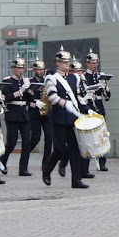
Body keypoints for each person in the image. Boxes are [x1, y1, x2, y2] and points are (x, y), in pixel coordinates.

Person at [42, 51, 91, 189]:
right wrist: (64, 103)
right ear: (57, 63)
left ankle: (76, 180)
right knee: (59, 149)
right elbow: (52, 97)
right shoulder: (52, 78)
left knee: (75, 149)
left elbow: (79, 99)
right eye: (64, 62)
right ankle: (47, 169)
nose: (66, 64)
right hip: (59, 118)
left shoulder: (75, 78)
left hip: (73, 118)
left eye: (68, 62)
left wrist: (88, 110)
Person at [0, 57, 33, 177]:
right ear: (13, 69)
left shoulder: (26, 81)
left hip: (24, 113)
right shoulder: (7, 81)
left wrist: (31, 93)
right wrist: (21, 90)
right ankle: (3, 161)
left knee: (27, 143)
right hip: (12, 113)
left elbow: (29, 98)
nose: (20, 70)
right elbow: (6, 98)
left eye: (22, 68)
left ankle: (23, 168)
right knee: (11, 143)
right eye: (18, 68)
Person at [80, 52, 111, 173]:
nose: (94, 65)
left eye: (96, 63)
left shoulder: (99, 76)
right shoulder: (83, 76)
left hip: (99, 105)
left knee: (102, 134)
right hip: (89, 105)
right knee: (90, 136)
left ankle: (102, 161)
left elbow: (107, 96)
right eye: (92, 63)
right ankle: (87, 164)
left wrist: (105, 87)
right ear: (87, 63)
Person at [27, 59, 51, 168]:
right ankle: (25, 156)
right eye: (39, 70)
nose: (41, 72)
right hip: (35, 113)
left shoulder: (47, 81)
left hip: (46, 113)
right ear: (34, 70)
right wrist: (34, 103)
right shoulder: (29, 81)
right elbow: (26, 99)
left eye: (42, 69)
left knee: (49, 138)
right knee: (35, 138)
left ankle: (45, 163)